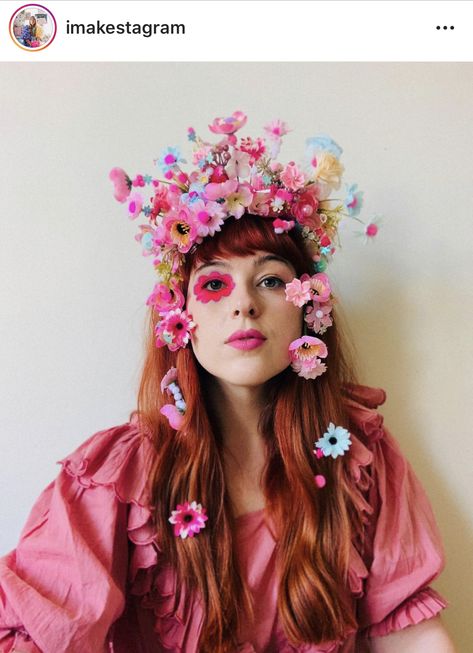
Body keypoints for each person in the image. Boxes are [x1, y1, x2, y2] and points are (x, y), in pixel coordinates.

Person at [0, 112, 456, 652]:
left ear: (308, 310)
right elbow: (41, 634)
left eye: (270, 280)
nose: (244, 303)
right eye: (215, 283)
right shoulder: (117, 479)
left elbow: (408, 631)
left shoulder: (359, 459)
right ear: (179, 315)